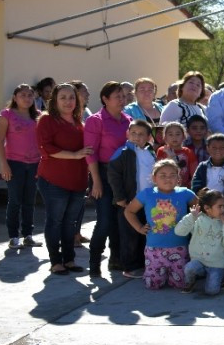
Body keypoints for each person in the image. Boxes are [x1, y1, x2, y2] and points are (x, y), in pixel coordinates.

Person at [36, 84, 91, 275]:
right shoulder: (47, 120)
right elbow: (46, 148)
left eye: (72, 97)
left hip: (77, 181)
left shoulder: (80, 123)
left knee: (70, 223)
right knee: (55, 221)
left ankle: (69, 260)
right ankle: (55, 262)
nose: (68, 101)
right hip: (53, 181)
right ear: (55, 100)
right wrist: (75, 155)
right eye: (63, 97)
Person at [122, 159, 196, 289]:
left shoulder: (186, 193)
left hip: (180, 247)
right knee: (153, 285)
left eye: (172, 175)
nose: (168, 179)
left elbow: (203, 211)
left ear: (178, 178)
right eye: (163, 175)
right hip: (154, 249)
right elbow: (129, 211)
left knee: (180, 284)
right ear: (154, 178)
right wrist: (139, 227)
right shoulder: (146, 194)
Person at [83, 81, 132, 276]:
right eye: (117, 96)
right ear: (105, 99)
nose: (122, 100)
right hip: (103, 173)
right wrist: (95, 181)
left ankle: (116, 259)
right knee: (104, 220)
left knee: (121, 219)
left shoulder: (128, 120)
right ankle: (94, 262)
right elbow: (90, 153)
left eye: (123, 96)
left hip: (124, 175)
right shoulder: (96, 120)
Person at [108, 119, 155, 277]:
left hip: (148, 202)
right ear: (127, 134)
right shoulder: (122, 152)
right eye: (133, 133)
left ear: (149, 137)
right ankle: (129, 267)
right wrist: (119, 197)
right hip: (129, 202)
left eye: (141, 134)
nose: (136, 136)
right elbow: (114, 176)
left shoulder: (151, 152)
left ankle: (143, 263)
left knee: (145, 232)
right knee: (129, 235)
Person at [0, 85, 41, 248]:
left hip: (34, 163)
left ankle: (28, 234)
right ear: (15, 97)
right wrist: (4, 165)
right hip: (14, 163)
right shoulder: (6, 115)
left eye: (30, 95)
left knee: (30, 200)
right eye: (23, 95)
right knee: (15, 200)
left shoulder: (38, 116)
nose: (27, 98)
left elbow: (42, 142)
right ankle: (13, 237)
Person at [178, 188, 224, 295]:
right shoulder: (197, 218)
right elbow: (179, 232)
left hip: (216, 264)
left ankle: (221, 278)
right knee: (190, 268)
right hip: (199, 261)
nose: (223, 209)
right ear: (207, 208)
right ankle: (190, 282)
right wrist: (191, 217)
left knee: (211, 291)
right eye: (219, 206)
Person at [157, 122, 196, 188]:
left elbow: (194, 174)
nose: (174, 137)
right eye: (170, 134)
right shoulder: (161, 151)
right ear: (165, 137)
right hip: (166, 187)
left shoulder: (188, 152)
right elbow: (158, 171)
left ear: (184, 136)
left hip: (184, 188)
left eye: (178, 134)